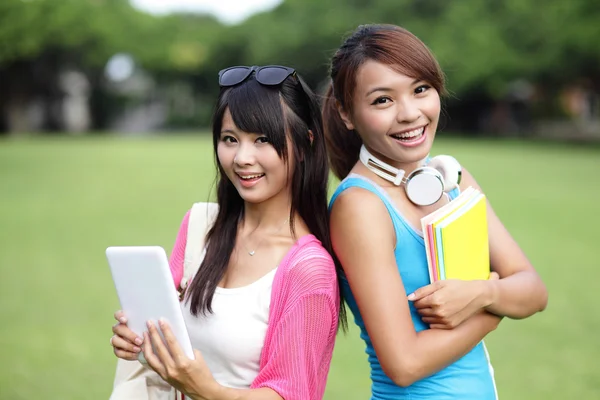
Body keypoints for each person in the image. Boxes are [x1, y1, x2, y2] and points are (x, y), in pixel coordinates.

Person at [323, 24, 548, 399]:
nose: (410, 113)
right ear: (347, 113)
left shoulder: (452, 177)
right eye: (383, 100)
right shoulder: (359, 206)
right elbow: (404, 364)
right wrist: (494, 311)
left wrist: (481, 293)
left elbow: (534, 291)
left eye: (420, 89)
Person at [110, 65, 344, 400]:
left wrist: (206, 390)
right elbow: (164, 328)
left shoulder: (308, 269)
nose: (242, 158)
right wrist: (134, 337)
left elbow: (291, 394)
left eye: (263, 140)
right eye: (229, 139)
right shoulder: (200, 226)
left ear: (305, 144)